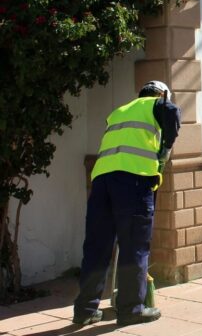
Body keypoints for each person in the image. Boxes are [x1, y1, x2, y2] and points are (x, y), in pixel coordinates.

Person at [73, 81, 181, 327]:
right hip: (133, 182)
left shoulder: (119, 112)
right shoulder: (158, 103)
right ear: (162, 94)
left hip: (102, 182)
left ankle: (85, 310)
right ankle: (132, 308)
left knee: (97, 248)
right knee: (134, 246)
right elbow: (173, 112)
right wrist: (165, 148)